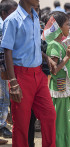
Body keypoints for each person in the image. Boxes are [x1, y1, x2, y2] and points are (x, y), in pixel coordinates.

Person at [1, 0, 56, 147]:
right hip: (20, 76)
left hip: (38, 74)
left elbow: (35, 44)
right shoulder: (12, 20)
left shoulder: (35, 16)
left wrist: (46, 58)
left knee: (49, 116)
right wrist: (13, 82)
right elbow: (7, 50)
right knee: (21, 124)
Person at [45, 12, 70, 147]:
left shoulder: (62, 44)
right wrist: (67, 58)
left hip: (66, 89)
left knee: (66, 119)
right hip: (59, 90)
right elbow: (54, 71)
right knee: (60, 121)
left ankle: (65, 146)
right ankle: (59, 146)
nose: (69, 27)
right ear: (58, 27)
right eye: (67, 24)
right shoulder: (54, 45)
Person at [0, 0, 18, 139]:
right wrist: (4, 68)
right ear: (4, 13)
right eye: (13, 12)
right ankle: (2, 126)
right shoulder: (3, 25)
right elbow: (3, 50)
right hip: (2, 67)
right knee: (3, 97)